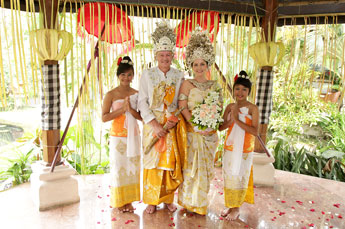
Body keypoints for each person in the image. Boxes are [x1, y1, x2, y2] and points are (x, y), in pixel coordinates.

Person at [138, 21, 184, 214]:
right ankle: (151, 201)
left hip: (171, 124)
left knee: (167, 164)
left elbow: (181, 101)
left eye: (168, 55)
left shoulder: (179, 75)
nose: (165, 58)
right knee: (152, 161)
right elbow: (142, 101)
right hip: (152, 125)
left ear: (172, 56)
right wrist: (154, 124)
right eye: (161, 55)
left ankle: (167, 199)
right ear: (156, 56)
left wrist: (173, 120)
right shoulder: (147, 74)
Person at [177, 27, 223, 215]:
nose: (198, 68)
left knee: (204, 171)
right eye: (195, 64)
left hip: (209, 135)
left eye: (202, 64)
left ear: (208, 64)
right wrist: (195, 124)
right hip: (192, 132)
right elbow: (182, 106)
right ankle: (189, 202)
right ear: (191, 65)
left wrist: (210, 124)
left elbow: (218, 107)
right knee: (191, 169)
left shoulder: (215, 85)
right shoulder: (186, 84)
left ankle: (201, 203)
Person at [101, 56, 142, 213]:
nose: (126, 78)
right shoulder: (111, 94)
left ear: (133, 75)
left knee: (132, 168)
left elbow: (142, 117)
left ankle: (129, 201)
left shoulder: (137, 93)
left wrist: (131, 110)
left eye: (129, 74)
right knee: (119, 169)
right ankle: (119, 201)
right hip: (118, 137)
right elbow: (104, 117)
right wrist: (121, 110)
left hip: (134, 136)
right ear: (118, 75)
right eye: (123, 74)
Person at [218, 70, 259, 220]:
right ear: (234, 89)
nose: (240, 92)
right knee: (229, 177)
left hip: (244, 150)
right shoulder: (229, 106)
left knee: (240, 176)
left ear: (249, 91)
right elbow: (221, 127)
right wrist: (231, 119)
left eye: (244, 89)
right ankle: (230, 204)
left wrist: (237, 119)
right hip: (230, 147)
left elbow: (254, 131)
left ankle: (237, 208)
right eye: (237, 89)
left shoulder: (253, 109)